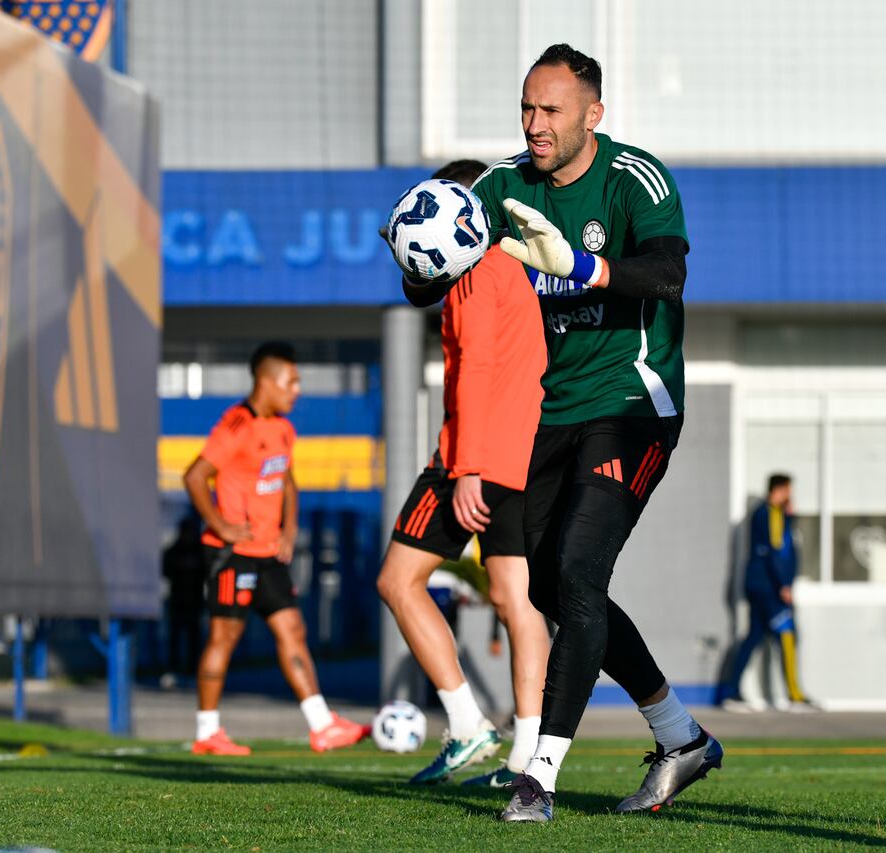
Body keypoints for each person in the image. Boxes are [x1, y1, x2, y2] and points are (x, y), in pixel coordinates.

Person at [464, 43, 721, 822]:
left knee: (576, 569)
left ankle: (538, 775)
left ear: (592, 115)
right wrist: (417, 255)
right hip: (543, 414)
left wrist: (579, 264)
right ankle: (680, 737)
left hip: (633, 403)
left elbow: (667, 274)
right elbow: (433, 276)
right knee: (552, 585)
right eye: (527, 109)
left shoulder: (634, 177)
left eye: (552, 112)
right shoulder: (502, 186)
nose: (535, 125)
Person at [379, 160, 551, 787]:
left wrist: (469, 468)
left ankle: (467, 723)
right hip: (520, 454)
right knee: (515, 598)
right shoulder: (513, 267)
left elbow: (476, 368)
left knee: (399, 581)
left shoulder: (475, 277)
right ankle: (528, 756)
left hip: (469, 460)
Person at [183, 342, 366, 755]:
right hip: (233, 555)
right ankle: (207, 732)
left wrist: (289, 528)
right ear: (266, 381)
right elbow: (195, 476)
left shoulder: (283, 428)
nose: (297, 389)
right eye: (291, 381)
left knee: (293, 630)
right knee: (224, 637)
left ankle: (322, 726)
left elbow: (286, 480)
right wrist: (221, 526)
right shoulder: (236, 425)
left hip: (269, 554)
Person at [721, 474, 814, 712]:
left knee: (753, 637)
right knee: (787, 634)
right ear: (780, 489)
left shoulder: (773, 514)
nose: (790, 495)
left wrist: (789, 518)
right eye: (788, 490)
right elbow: (775, 551)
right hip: (769, 588)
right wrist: (783, 584)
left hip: (760, 585)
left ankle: (731, 693)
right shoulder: (769, 513)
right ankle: (794, 696)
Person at [162, 515, 206, 681]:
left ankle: (192, 668)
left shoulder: (200, 551)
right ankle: (173, 668)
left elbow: (207, 572)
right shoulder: (174, 550)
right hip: (177, 600)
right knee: (175, 636)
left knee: (193, 636)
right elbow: (165, 571)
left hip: (194, 600)